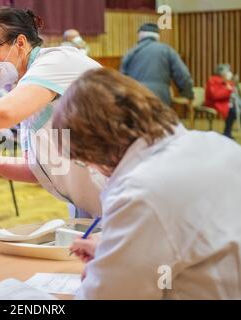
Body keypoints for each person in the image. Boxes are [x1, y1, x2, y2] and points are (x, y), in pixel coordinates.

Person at [52, 68, 241, 299]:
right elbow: (189, 239)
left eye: (85, 160)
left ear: (96, 146)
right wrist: (113, 249)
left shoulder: (140, 191)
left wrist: (100, 272)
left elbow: (109, 295)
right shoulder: (219, 145)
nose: (91, 169)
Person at [0, 6, 104, 219]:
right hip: (89, 201)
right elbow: (36, 170)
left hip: (123, 189)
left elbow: (5, 112)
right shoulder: (26, 90)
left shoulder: (57, 60)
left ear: (20, 43)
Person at [121, 23, 194, 106]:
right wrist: (188, 94)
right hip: (161, 97)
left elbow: (122, 79)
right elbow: (183, 75)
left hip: (137, 96)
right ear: (157, 37)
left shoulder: (131, 53)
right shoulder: (167, 50)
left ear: (140, 36)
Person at [205, 63, 240, 139]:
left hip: (223, 103)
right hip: (214, 103)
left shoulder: (226, 81)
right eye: (227, 71)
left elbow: (232, 89)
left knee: (235, 109)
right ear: (222, 73)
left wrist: (233, 84)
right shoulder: (212, 81)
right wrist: (229, 90)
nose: (229, 73)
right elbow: (215, 95)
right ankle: (227, 133)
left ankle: (227, 132)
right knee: (232, 111)